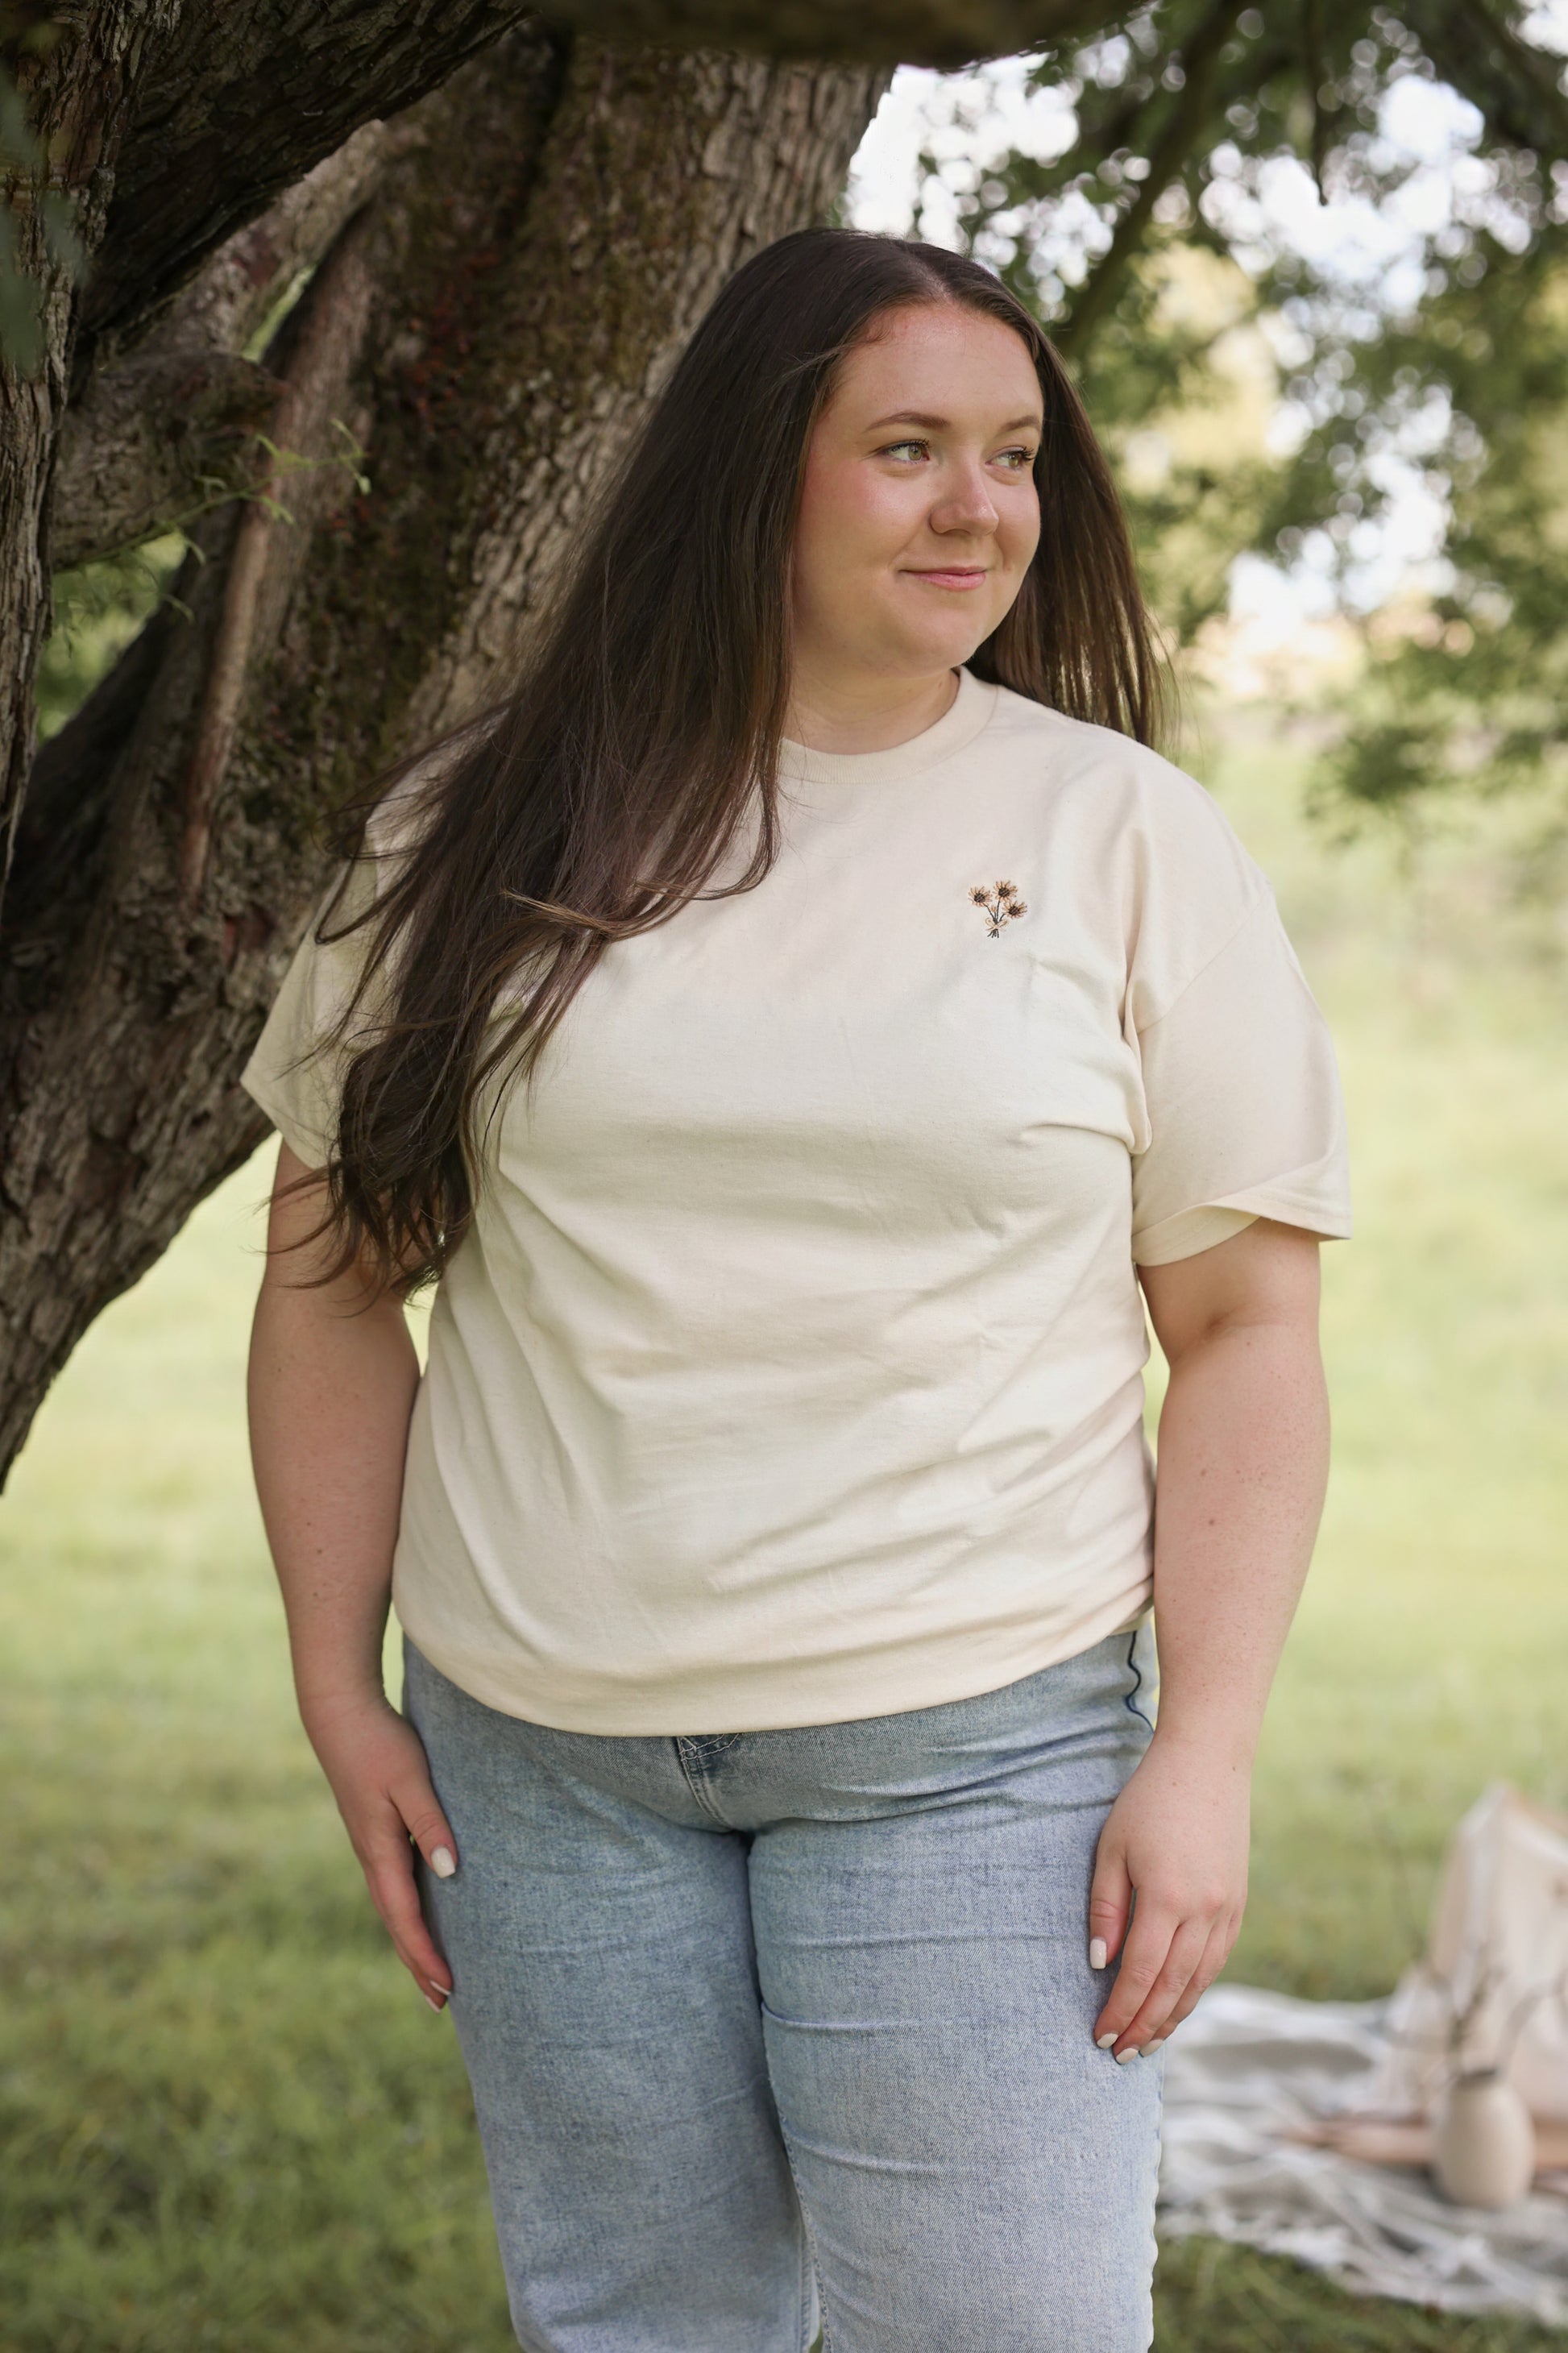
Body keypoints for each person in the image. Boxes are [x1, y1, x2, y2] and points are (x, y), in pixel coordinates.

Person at [242, 227, 1350, 2353]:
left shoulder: (1123, 839)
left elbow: (1245, 1332)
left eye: (1013, 455)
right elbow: (327, 1282)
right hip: (540, 1758)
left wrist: (1204, 1749)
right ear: (754, 471)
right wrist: (332, 1677)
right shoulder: (480, 826)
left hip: (973, 1746)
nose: (977, 509)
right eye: (908, 447)